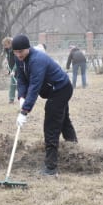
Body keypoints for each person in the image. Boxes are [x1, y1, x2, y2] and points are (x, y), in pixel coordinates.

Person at [12, 34, 77, 175]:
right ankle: (74, 150)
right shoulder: (19, 59)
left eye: (20, 51)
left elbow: (35, 86)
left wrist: (24, 111)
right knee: (63, 120)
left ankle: (51, 168)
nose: (18, 55)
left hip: (61, 89)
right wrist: (21, 97)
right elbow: (21, 79)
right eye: (15, 52)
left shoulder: (37, 60)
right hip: (53, 90)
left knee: (51, 125)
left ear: (27, 48)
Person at [2, 37, 17, 103]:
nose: (4, 46)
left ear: (10, 43)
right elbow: (9, 59)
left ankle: (25, 97)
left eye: (5, 45)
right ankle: (11, 99)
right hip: (12, 69)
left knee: (20, 84)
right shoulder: (7, 50)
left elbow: (18, 61)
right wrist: (6, 63)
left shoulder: (16, 50)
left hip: (19, 69)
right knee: (12, 85)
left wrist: (14, 70)